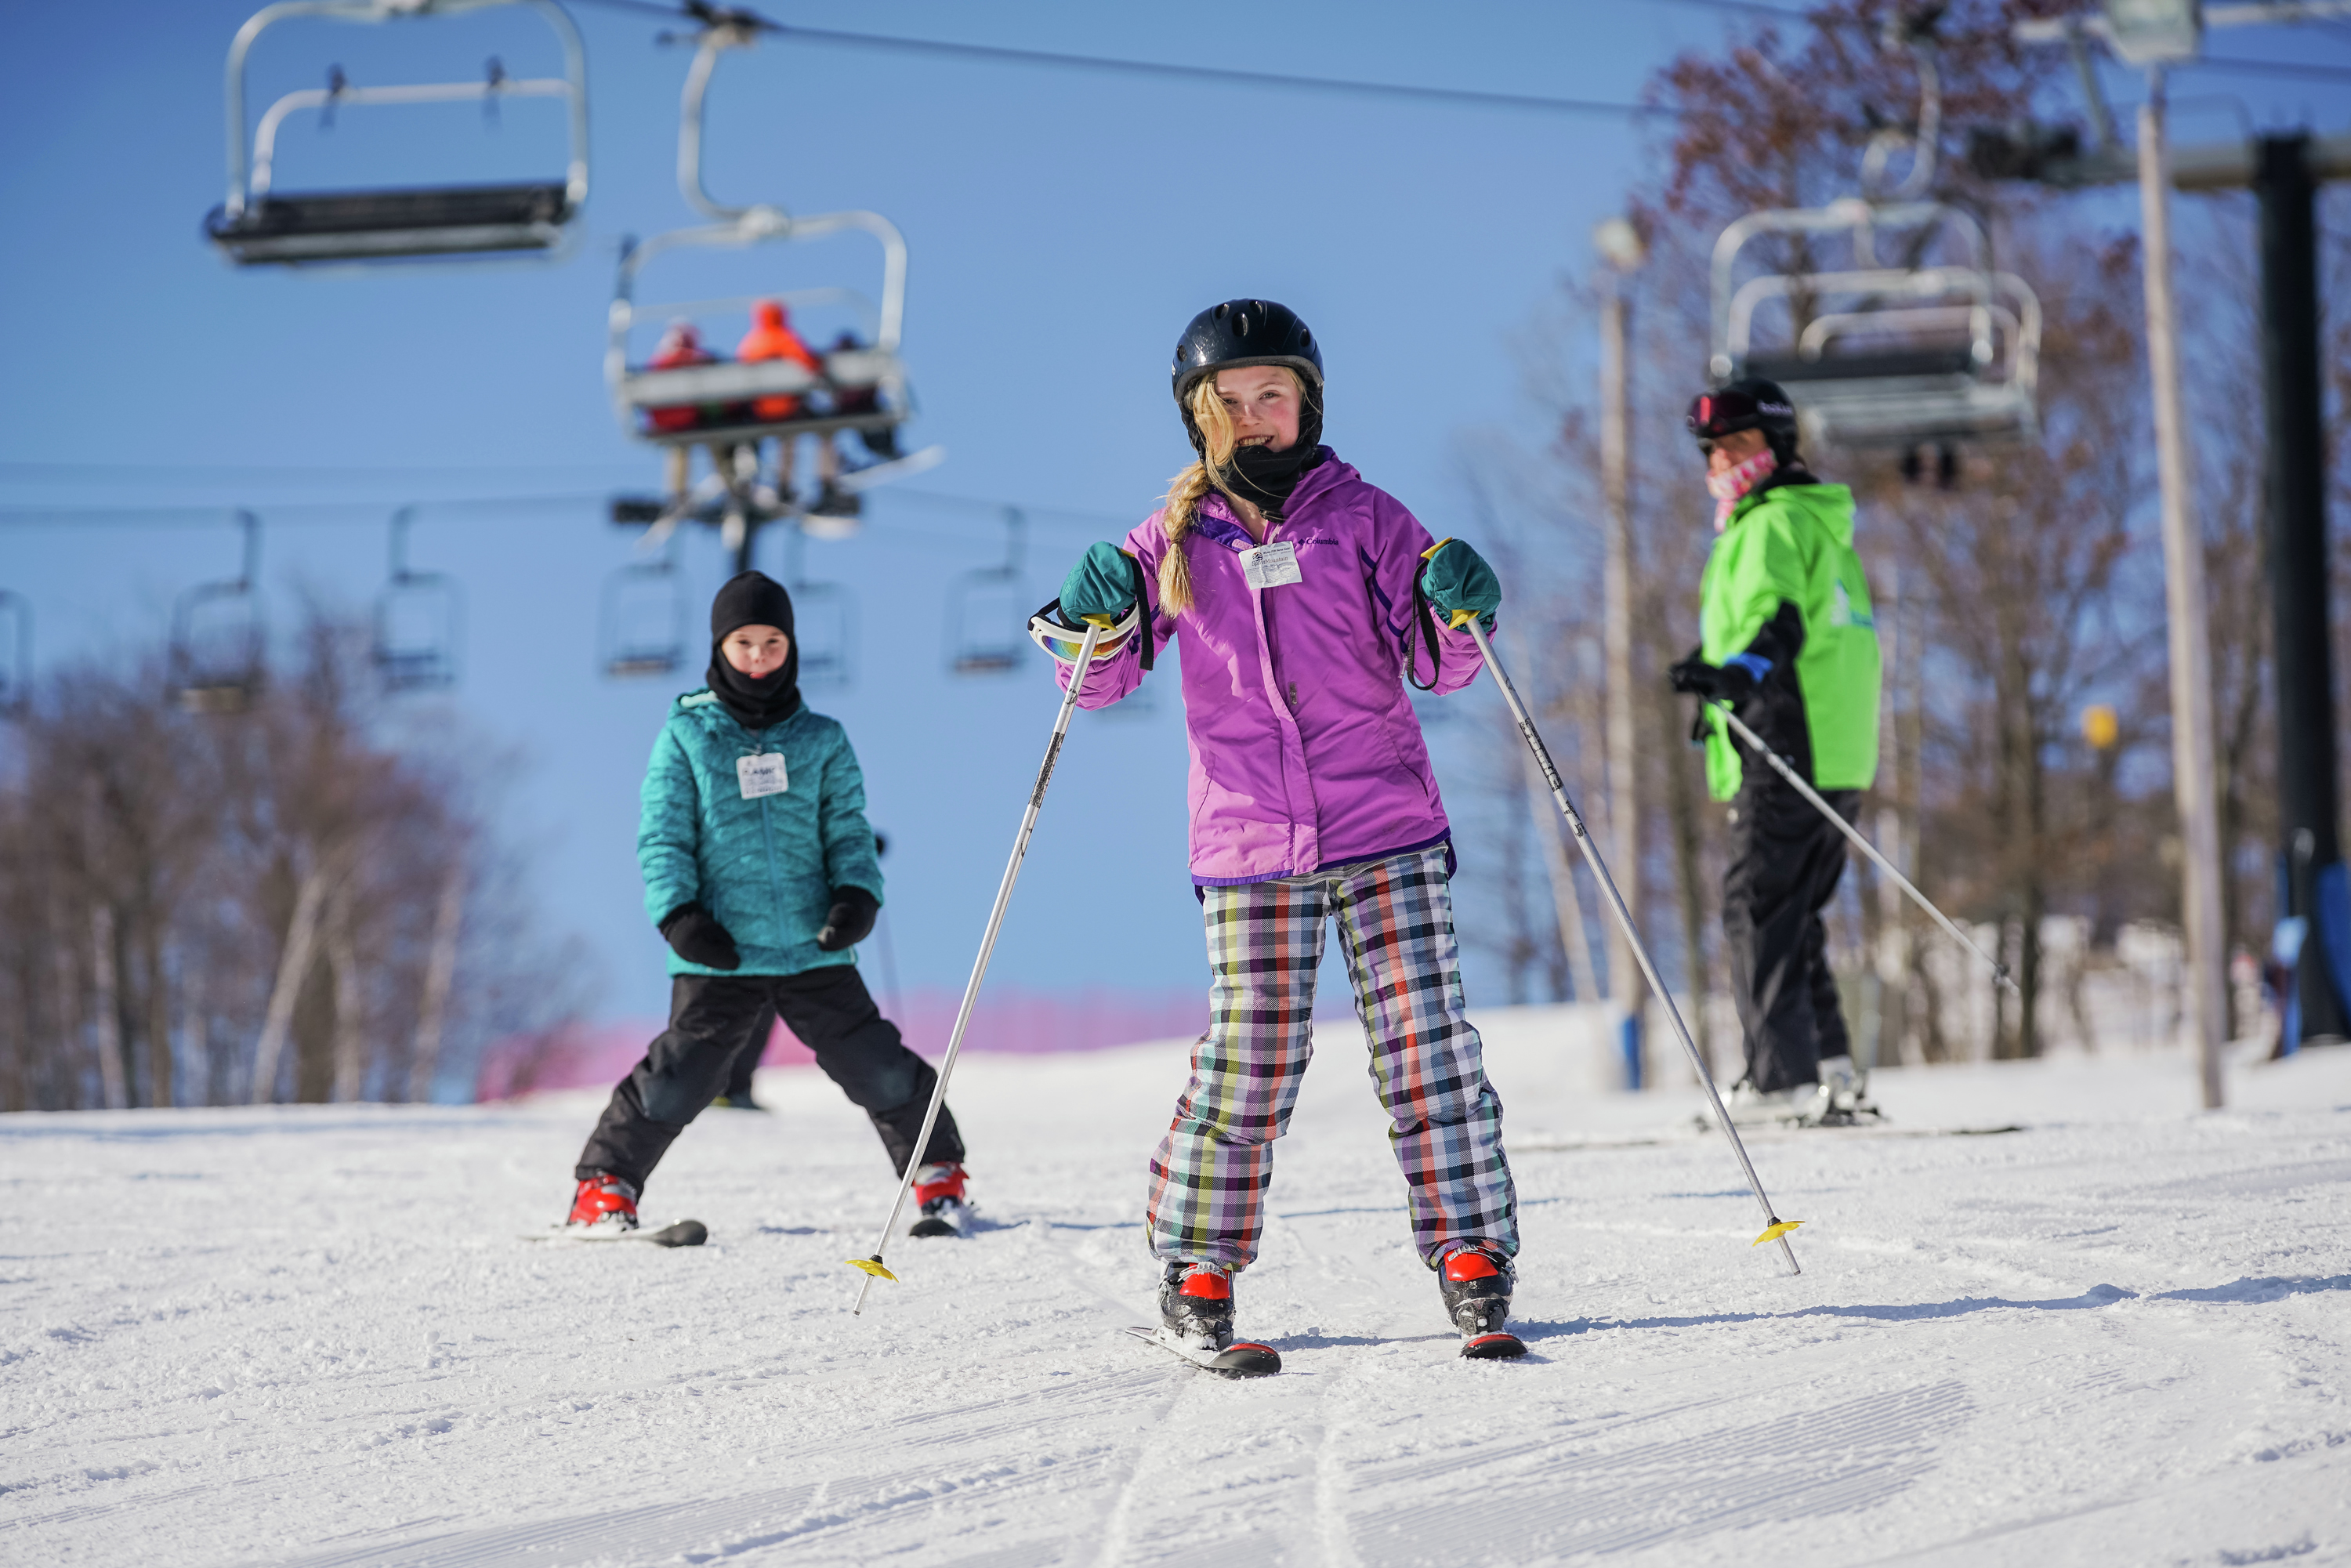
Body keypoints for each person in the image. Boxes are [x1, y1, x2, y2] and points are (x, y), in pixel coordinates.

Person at [1049, 299, 1521, 1356]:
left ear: (1308, 400)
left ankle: (1471, 1246)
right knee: (1252, 1054)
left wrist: (1460, 606)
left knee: (1424, 1042)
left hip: (1386, 826)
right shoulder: (1168, 538)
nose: (1257, 415)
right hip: (1249, 845)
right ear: (1199, 418)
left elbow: (1441, 667)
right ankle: (1199, 1262)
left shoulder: (1367, 519)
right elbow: (1100, 683)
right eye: (1232, 402)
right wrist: (1094, 614)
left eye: (1275, 394)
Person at [565, 570, 970, 1236]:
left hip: (811, 943)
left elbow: (848, 829)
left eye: (772, 641)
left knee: (878, 1066)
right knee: (681, 1075)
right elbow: (662, 834)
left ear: (792, 647)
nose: (758, 657)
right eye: (744, 642)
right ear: (721, 647)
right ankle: (604, 1187)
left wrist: (857, 896)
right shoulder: (688, 736)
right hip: (722, 947)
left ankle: (938, 1175)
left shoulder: (822, 739)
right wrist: (680, 916)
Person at [1668, 378, 1882, 1126]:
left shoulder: (1769, 523)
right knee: (1791, 913)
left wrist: (1736, 675)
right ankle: (1828, 1068)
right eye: (1712, 449)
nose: (1723, 460)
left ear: (1779, 446)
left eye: (1739, 444)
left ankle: (1779, 1077)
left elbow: (1779, 622)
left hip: (1790, 737)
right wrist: (1719, 672)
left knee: (1754, 904)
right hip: (1837, 744)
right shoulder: (1814, 521)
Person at [736, 300, 853, 520]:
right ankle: (818, 483)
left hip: (761, 410)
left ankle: (765, 482)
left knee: (774, 436)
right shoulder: (785, 338)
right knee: (816, 430)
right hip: (788, 408)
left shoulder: (752, 343)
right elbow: (807, 361)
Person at [643, 320, 742, 505]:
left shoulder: (658, 363)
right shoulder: (700, 359)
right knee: (716, 437)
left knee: (679, 447)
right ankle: (730, 484)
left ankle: (677, 494)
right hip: (692, 419)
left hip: (667, 423)